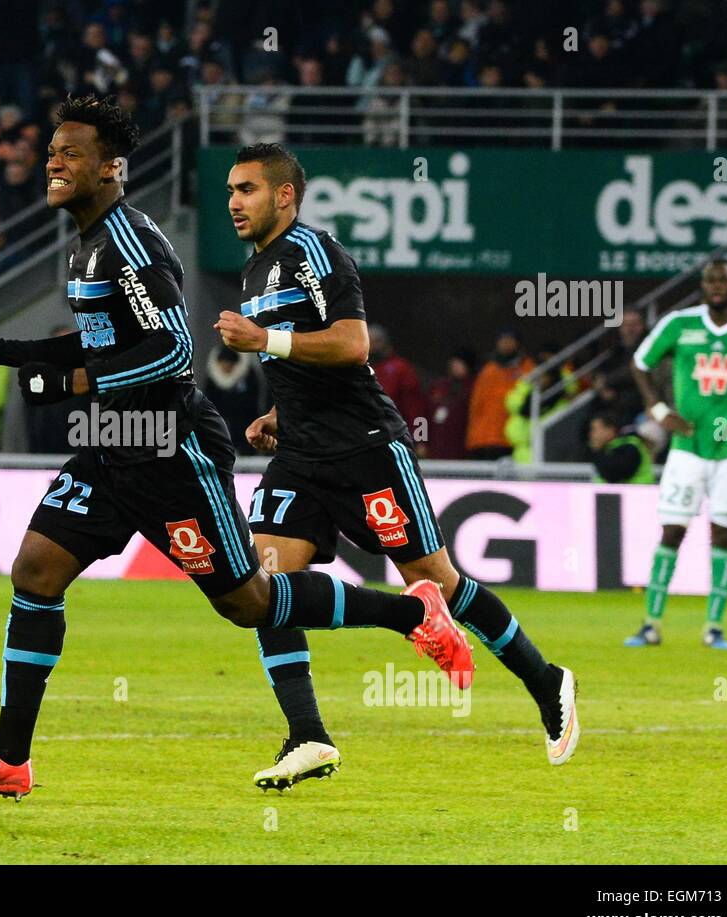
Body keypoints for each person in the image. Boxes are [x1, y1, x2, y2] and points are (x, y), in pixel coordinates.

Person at [0, 100, 465, 802]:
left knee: (249, 602)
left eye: (71, 152)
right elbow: (105, 346)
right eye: (51, 150)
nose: (54, 161)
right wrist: (4, 354)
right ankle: (8, 758)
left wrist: (49, 373)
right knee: (35, 570)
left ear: (111, 168)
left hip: (173, 451)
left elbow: (173, 350)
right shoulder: (86, 241)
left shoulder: (133, 242)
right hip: (115, 443)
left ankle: (412, 615)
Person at [216, 143, 578, 785]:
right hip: (301, 454)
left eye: (246, 189)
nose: (234, 202)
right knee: (264, 588)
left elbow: (352, 345)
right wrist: (279, 409)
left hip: (366, 449)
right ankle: (308, 735)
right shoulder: (253, 270)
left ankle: (547, 681)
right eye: (230, 191)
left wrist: (264, 339)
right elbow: (300, 359)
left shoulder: (315, 252)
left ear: (284, 194)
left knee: (440, 584)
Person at [626, 259, 727, 649]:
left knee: (723, 535)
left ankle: (714, 628)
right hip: (686, 448)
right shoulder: (679, 324)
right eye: (711, 280)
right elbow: (641, 362)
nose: (718, 286)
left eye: (724, 279)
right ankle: (651, 623)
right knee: (673, 530)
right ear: (703, 285)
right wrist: (658, 410)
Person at [466, 329, 533, 459]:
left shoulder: (527, 369)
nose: (506, 344)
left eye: (510, 340)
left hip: (511, 439)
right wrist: (473, 438)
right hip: (484, 439)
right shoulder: (489, 370)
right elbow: (476, 406)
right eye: (503, 340)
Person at [369, 323, 428, 453]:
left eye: (372, 342)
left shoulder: (401, 369)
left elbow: (416, 408)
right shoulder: (366, 368)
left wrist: (421, 439)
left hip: (395, 437)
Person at [203, 344, 260, 455]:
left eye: (228, 363)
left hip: (244, 426)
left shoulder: (248, 375)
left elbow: (252, 402)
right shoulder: (213, 378)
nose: (226, 367)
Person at [425, 350, 474, 460]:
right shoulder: (438, 386)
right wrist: (421, 441)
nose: (456, 367)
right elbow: (422, 417)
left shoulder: (473, 389)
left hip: (460, 451)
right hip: (435, 449)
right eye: (454, 363)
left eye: (460, 363)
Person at [587, 412, 654, 484]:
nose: (591, 434)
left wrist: (598, 452)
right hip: (620, 493)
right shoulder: (607, 448)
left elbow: (614, 476)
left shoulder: (630, 446)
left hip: (639, 493)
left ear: (610, 430)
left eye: (595, 429)